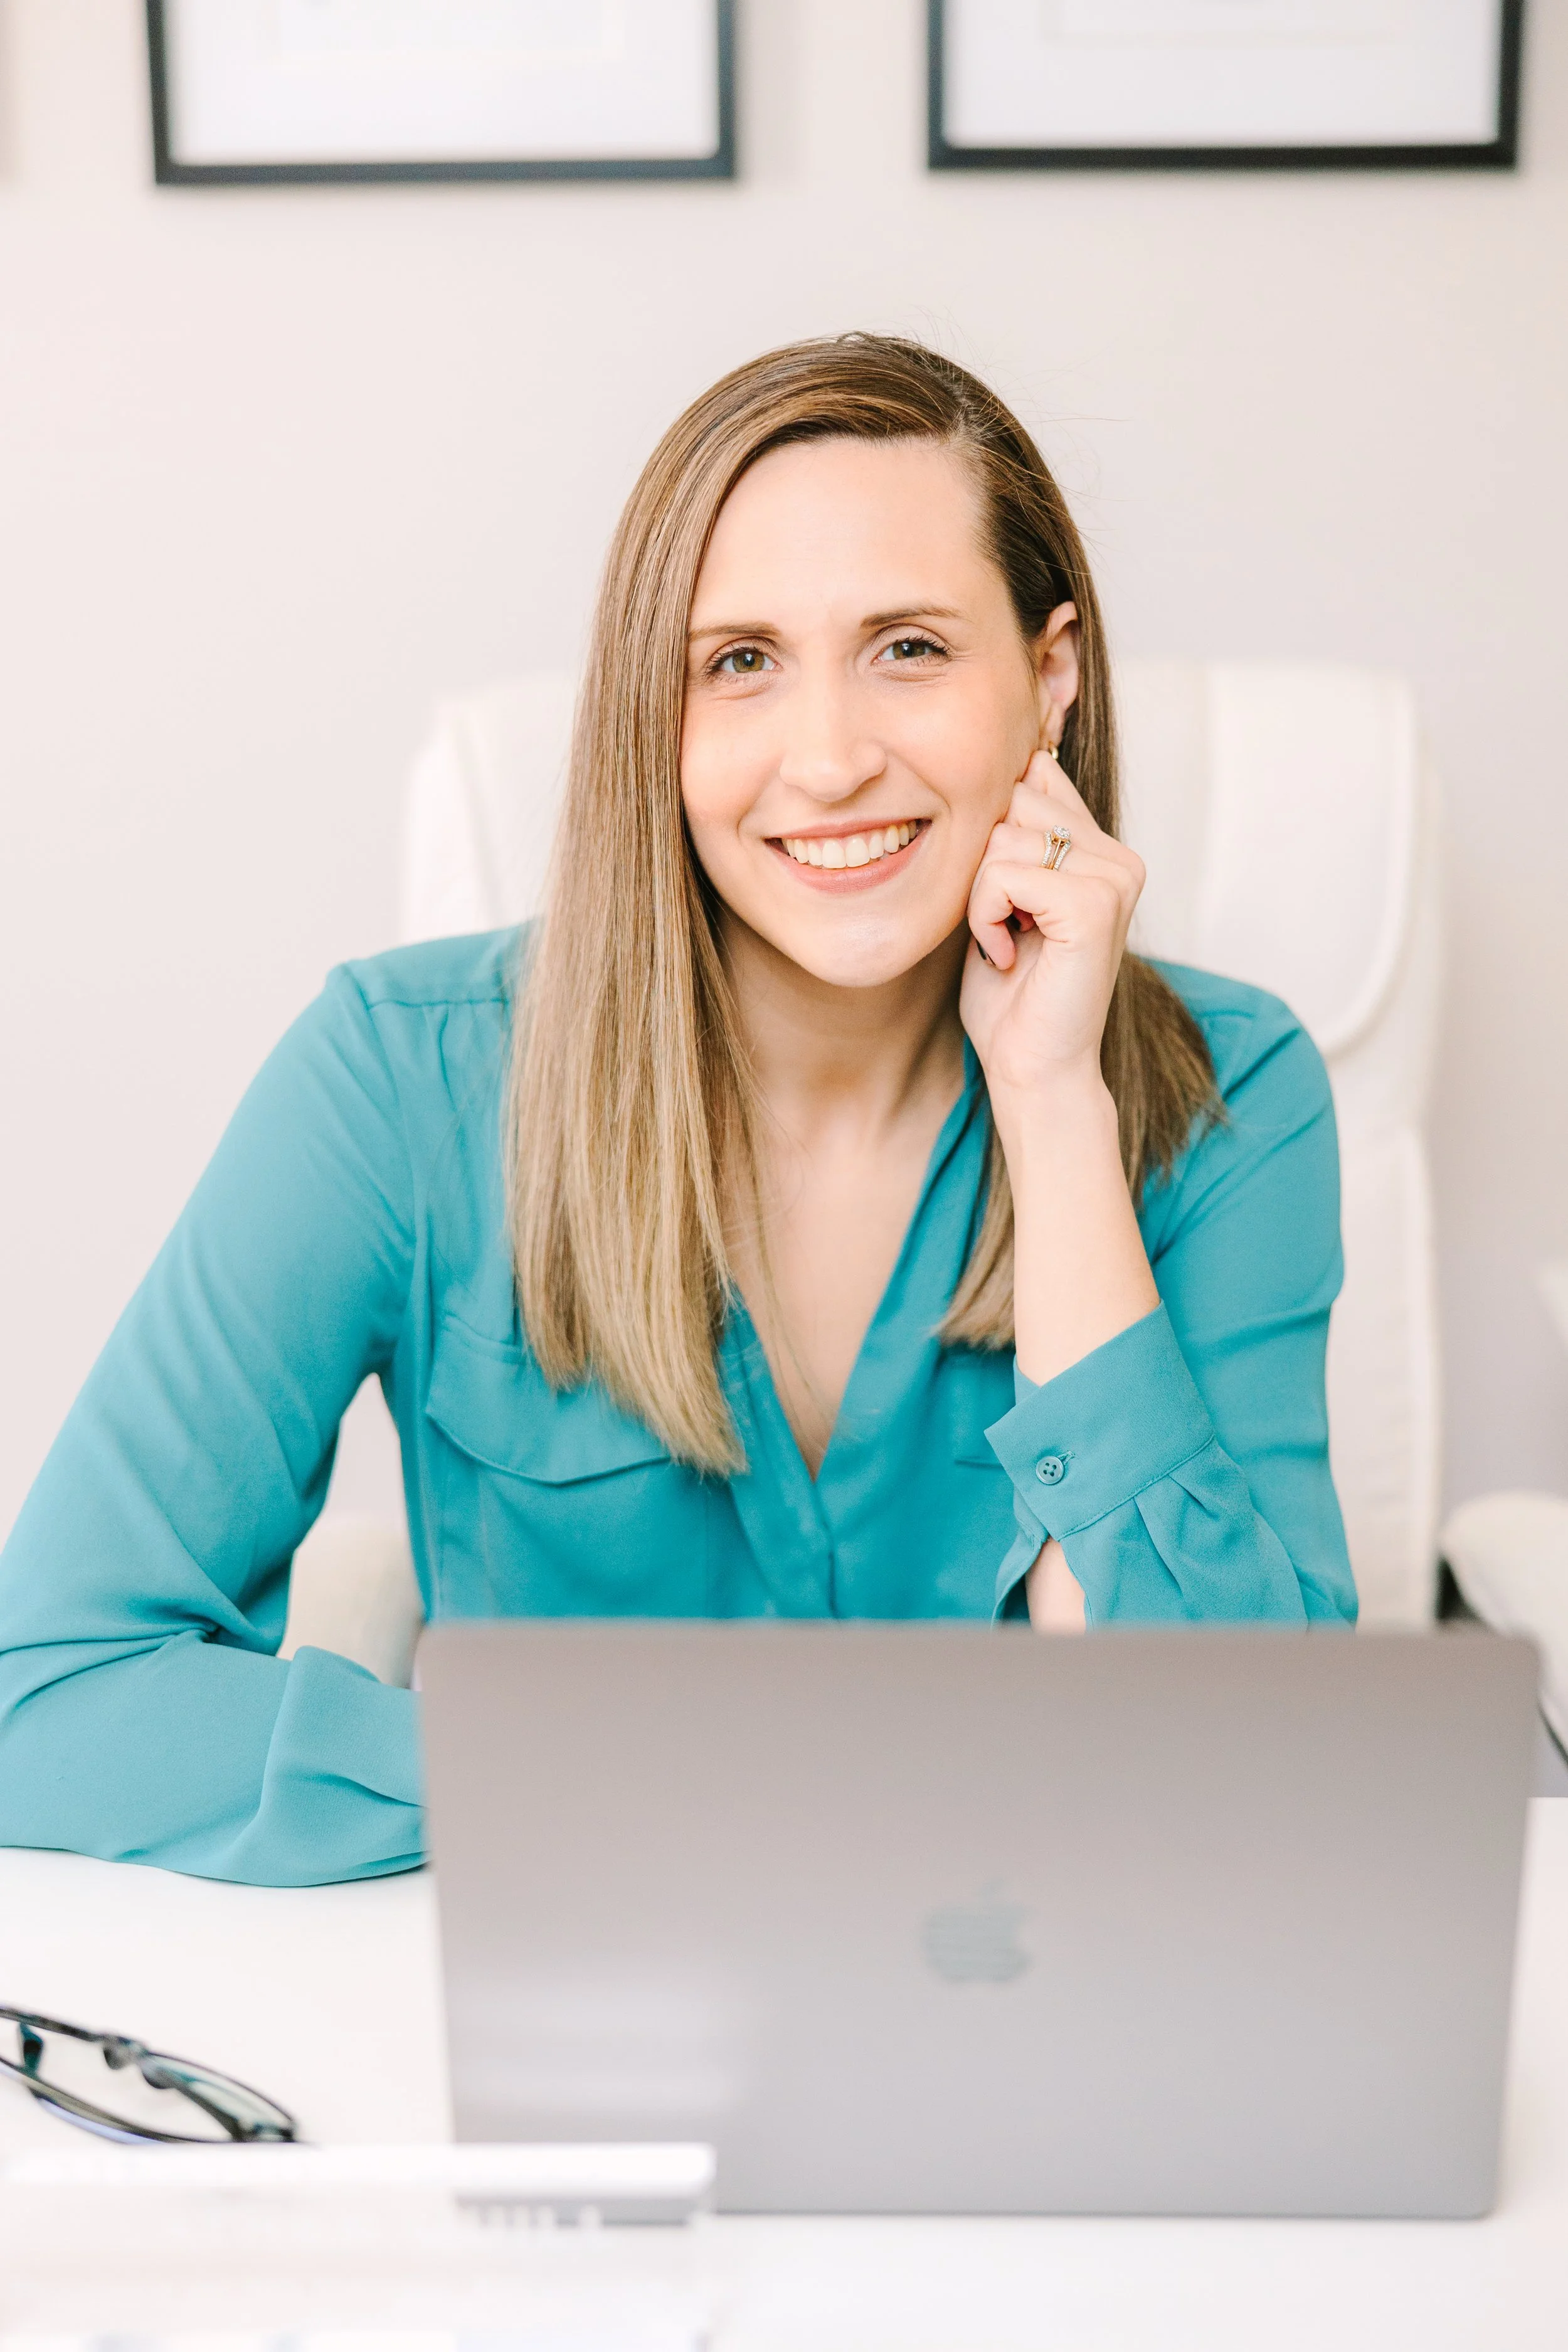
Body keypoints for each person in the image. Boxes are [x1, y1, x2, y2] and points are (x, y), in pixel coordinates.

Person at [0, 336, 1354, 1888]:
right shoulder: (396, 1079)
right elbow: (45, 1688)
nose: (831, 758)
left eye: (908, 647)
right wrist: (611, 1792)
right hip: (570, 2028)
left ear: (1045, 681)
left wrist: (1055, 1112)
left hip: (1026, 2015)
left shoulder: (1234, 1095)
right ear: (654, 714)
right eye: (739, 662)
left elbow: (1257, 1781)